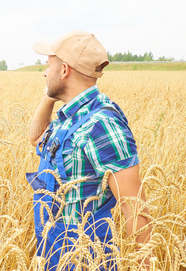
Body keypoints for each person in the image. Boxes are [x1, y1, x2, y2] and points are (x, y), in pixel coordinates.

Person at [27, 30, 151, 270]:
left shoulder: (102, 124)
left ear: (64, 71)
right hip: (54, 252)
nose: (43, 72)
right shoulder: (69, 116)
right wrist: (48, 97)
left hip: (85, 259)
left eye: (48, 66)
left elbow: (134, 208)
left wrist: (146, 266)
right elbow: (35, 137)